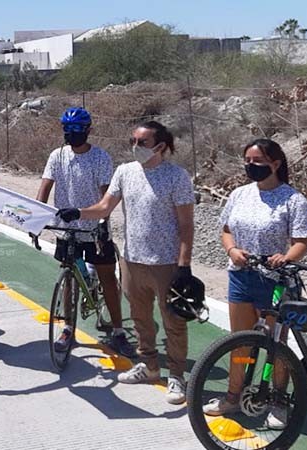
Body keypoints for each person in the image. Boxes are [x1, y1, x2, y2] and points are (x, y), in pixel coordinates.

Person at [56, 121, 195, 404]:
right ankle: (149, 366)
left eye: (142, 142)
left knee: (173, 322)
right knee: (142, 319)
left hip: (166, 262)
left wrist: (184, 265)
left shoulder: (177, 177)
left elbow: (186, 225)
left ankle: (177, 376)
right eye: (133, 140)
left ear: (162, 146)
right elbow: (105, 207)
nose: (135, 147)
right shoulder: (125, 172)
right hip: (132, 260)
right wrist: (78, 212)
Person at [203, 138, 307, 429]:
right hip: (241, 276)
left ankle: (277, 401)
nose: (251, 166)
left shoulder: (293, 200)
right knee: (241, 342)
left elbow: (302, 241)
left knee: (277, 345)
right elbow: (226, 230)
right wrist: (232, 250)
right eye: (247, 161)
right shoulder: (239, 194)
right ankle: (233, 396)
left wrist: (285, 257)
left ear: (276, 164)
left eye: (258, 161)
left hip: (275, 280)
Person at [36, 107, 134, 358]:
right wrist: (35, 218)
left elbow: (106, 197)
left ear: (88, 130)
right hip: (66, 229)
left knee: (107, 279)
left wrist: (102, 222)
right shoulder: (57, 156)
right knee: (68, 276)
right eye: (67, 129)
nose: (72, 134)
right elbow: (44, 189)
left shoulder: (100, 158)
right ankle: (68, 327)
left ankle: (119, 331)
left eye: (77, 129)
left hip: (93, 228)